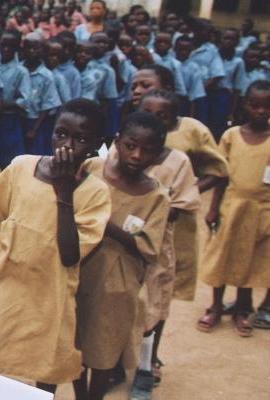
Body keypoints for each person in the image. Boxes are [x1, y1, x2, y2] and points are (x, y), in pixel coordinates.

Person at [0, 99, 111, 394]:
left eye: (80, 139)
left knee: (45, 365)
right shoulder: (21, 167)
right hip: (5, 278)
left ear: (96, 145)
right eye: (61, 133)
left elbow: (70, 255)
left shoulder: (95, 193)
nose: (67, 145)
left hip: (50, 291)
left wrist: (64, 192)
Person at [73, 111, 170, 400]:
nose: (137, 155)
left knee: (104, 344)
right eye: (130, 145)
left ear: (159, 155)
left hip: (118, 282)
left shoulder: (156, 197)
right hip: (78, 268)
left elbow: (149, 247)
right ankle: (80, 394)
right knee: (73, 341)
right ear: (117, 142)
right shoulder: (91, 168)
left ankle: (95, 396)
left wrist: (105, 226)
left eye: (147, 150)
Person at [130, 89, 201, 396]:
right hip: (120, 250)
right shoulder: (122, 153)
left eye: (162, 117)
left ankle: (145, 366)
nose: (153, 122)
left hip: (157, 249)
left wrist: (149, 210)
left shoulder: (178, 161)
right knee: (121, 303)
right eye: (147, 113)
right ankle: (120, 362)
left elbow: (181, 203)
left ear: (173, 124)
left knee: (154, 306)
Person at [198, 80, 270, 338]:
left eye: (266, 106)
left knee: (247, 258)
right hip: (231, 206)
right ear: (244, 105)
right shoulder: (231, 136)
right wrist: (213, 208)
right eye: (255, 105)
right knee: (222, 255)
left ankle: (242, 308)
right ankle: (215, 306)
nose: (261, 111)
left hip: (261, 210)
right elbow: (221, 175)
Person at [0, 29, 30, 169]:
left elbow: (24, 100)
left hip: (10, 120)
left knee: (8, 162)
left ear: (17, 48)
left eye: (10, 46)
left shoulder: (21, 71)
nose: (5, 49)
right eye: (3, 45)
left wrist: (1, 104)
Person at [21, 34, 61, 155]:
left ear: (42, 51)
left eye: (36, 48)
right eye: (28, 48)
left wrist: (34, 129)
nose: (31, 51)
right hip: (18, 119)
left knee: (36, 155)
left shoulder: (46, 75)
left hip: (37, 121)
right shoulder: (19, 69)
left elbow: (47, 105)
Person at [213, 28, 247, 140]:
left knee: (219, 127)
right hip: (209, 94)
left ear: (237, 42)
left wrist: (231, 112)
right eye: (226, 38)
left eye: (232, 39)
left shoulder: (238, 62)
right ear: (221, 39)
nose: (228, 41)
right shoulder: (213, 56)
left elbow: (237, 89)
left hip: (224, 97)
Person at [173, 35, 207, 120]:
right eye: (181, 49)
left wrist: (191, 117)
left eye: (187, 50)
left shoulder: (194, 68)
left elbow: (194, 95)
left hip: (183, 103)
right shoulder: (169, 63)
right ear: (175, 49)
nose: (183, 52)